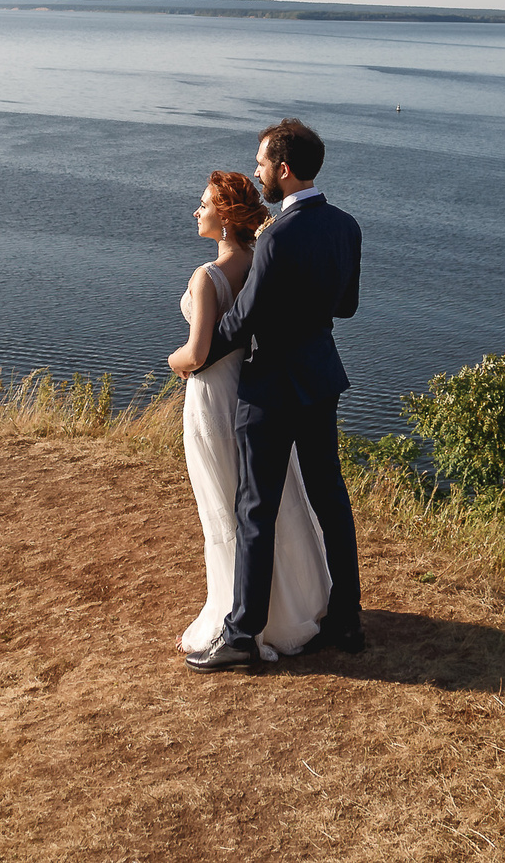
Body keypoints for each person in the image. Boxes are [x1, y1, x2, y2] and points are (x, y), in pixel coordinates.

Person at [174, 116, 366, 671]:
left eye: (261, 163)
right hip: (321, 376)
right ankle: (346, 619)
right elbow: (346, 305)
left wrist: (196, 356)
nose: (258, 172)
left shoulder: (277, 237)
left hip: (271, 387)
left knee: (256, 506)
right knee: (329, 497)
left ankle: (240, 635)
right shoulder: (346, 226)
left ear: (282, 169)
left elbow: (244, 321)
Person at [165, 169, 330, 660]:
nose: (197, 211)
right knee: (263, 504)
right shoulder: (262, 263)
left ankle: (231, 613)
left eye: (204, 204)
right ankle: (290, 606)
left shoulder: (207, 276)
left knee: (222, 503)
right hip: (254, 391)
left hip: (213, 398)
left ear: (227, 216)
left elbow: (197, 354)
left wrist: (172, 361)